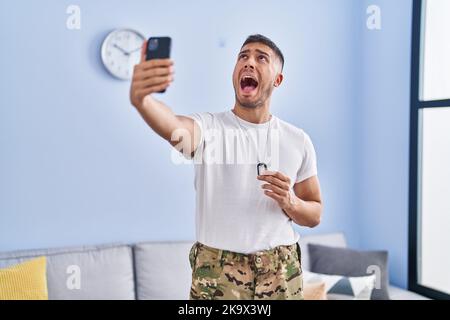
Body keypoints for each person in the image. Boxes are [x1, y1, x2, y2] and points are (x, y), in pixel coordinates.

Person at [130, 34, 323, 300]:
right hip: (217, 274)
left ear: (278, 80)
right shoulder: (209, 128)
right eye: (243, 56)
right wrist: (143, 101)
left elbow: (314, 214)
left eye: (261, 58)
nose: (248, 62)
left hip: (282, 269)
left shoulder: (298, 139)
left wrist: (291, 202)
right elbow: (172, 125)